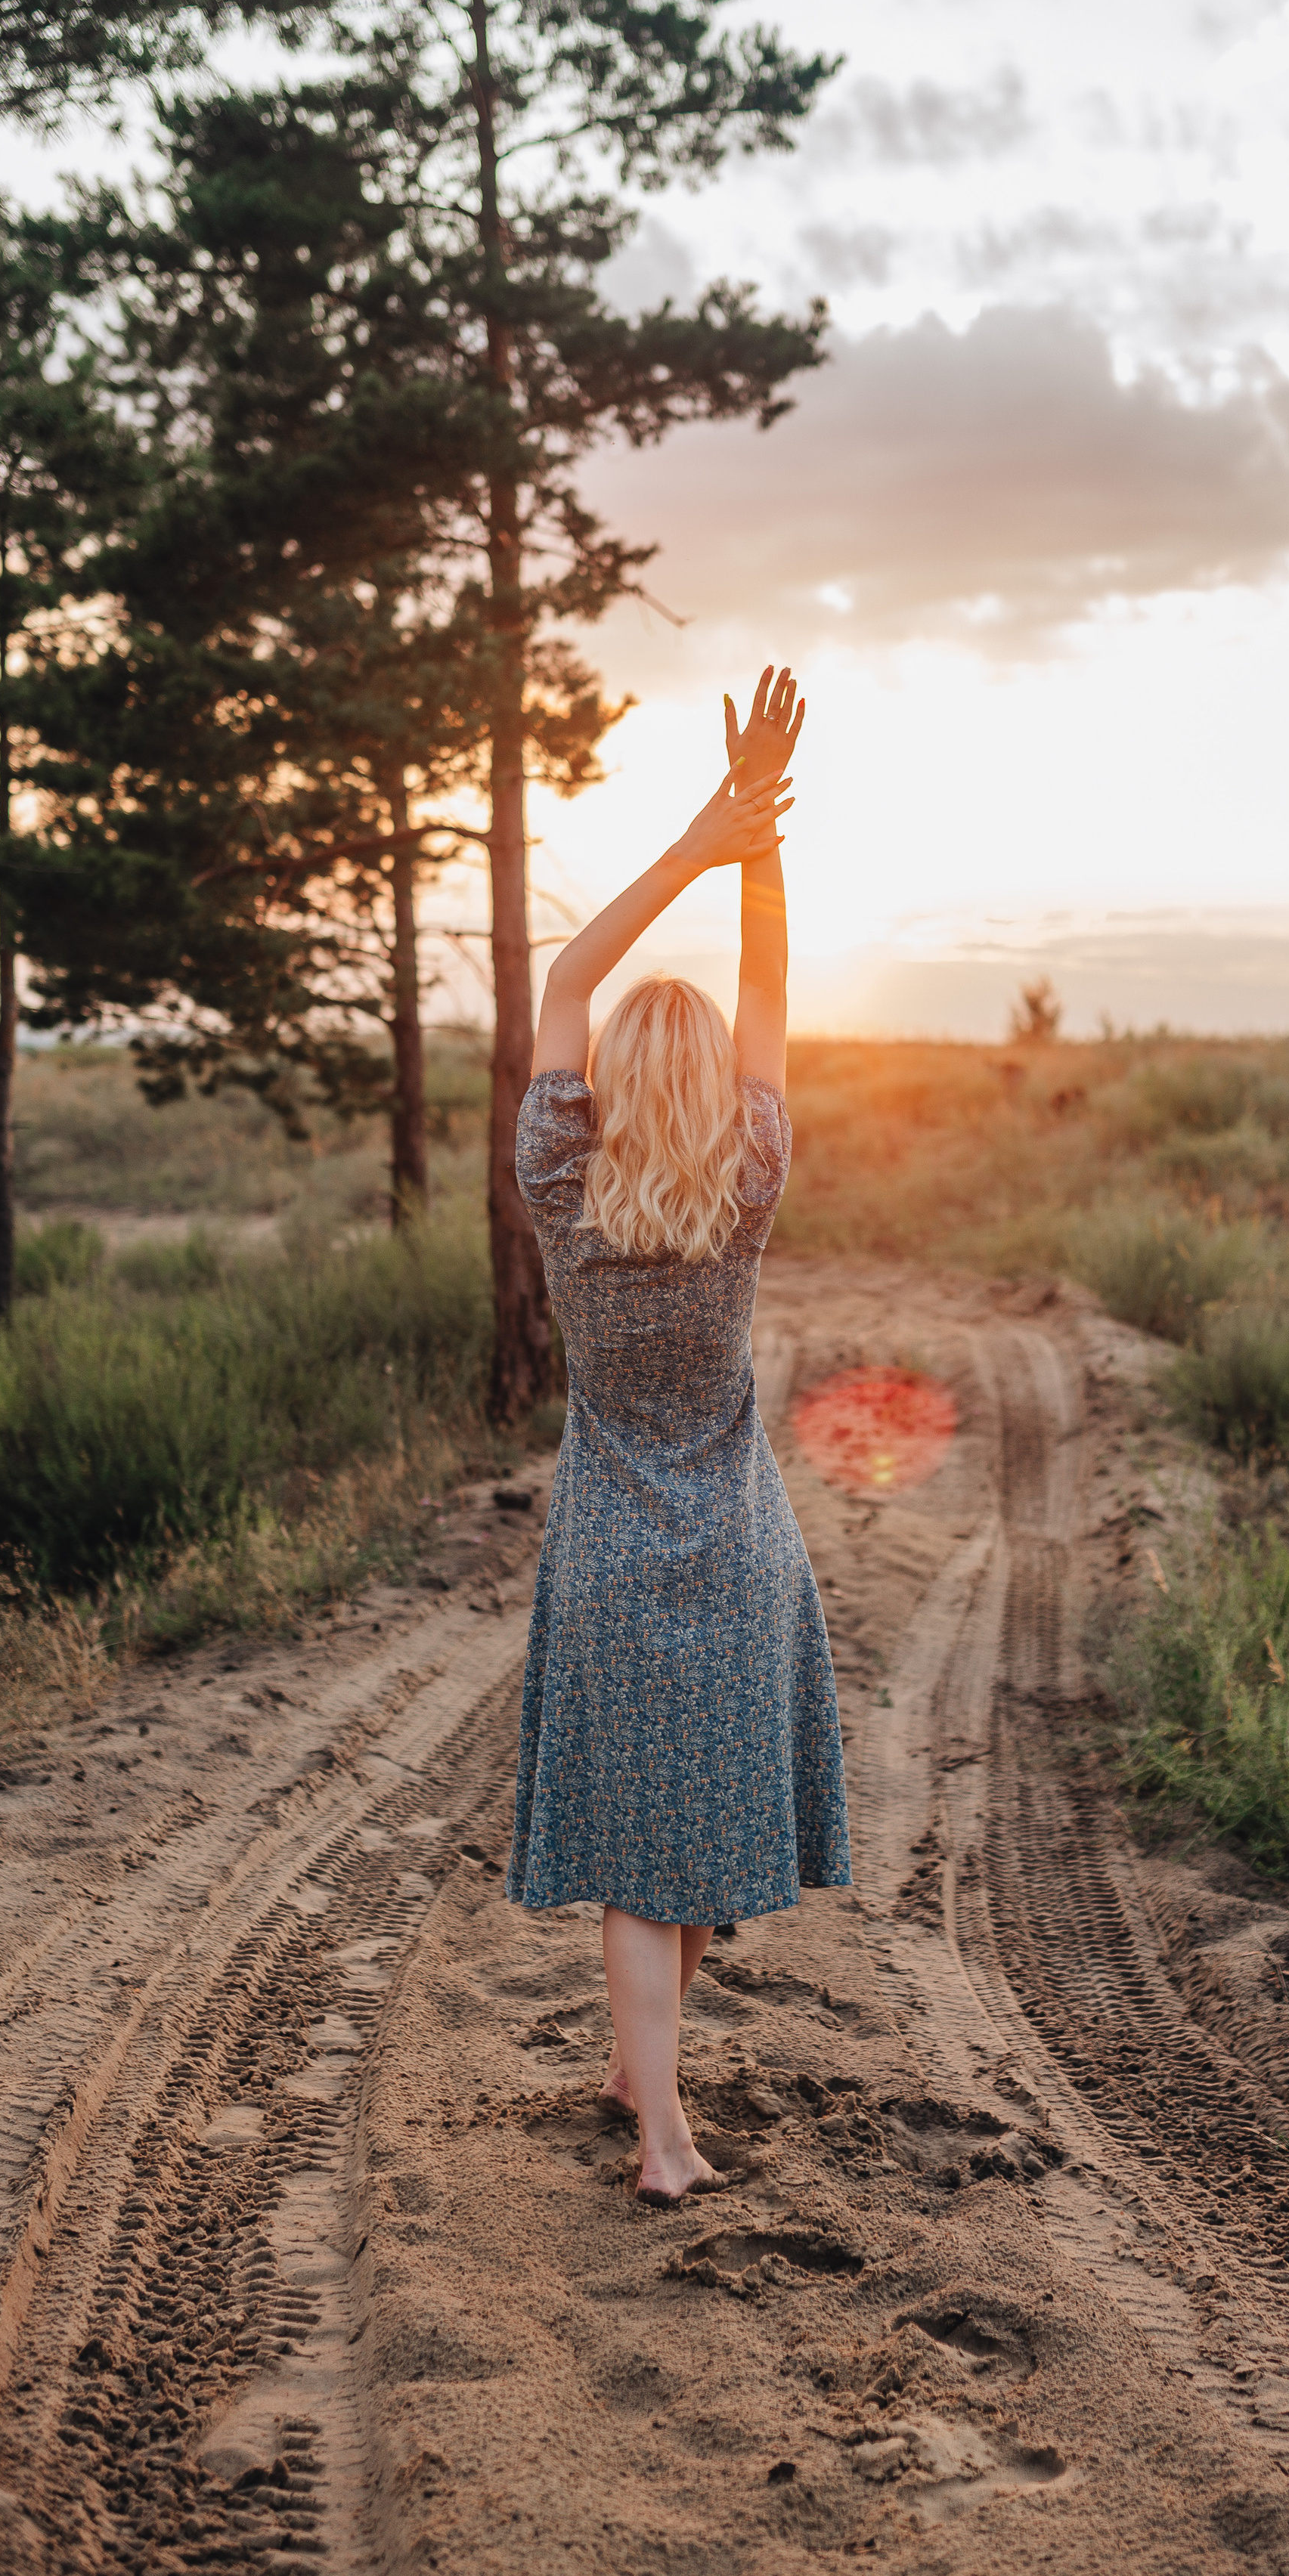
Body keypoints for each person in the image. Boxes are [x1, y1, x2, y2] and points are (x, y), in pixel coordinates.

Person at [502, 665, 852, 2206]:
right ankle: (661, 2128)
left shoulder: (562, 1187)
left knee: (649, 1853)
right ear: (709, 1088)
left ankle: (649, 2104)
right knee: (694, 1838)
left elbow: (570, 978)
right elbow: (770, 992)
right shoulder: (748, 1175)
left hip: (604, 1544)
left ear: (602, 1091)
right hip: (732, 1539)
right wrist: (760, 844)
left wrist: (697, 843)